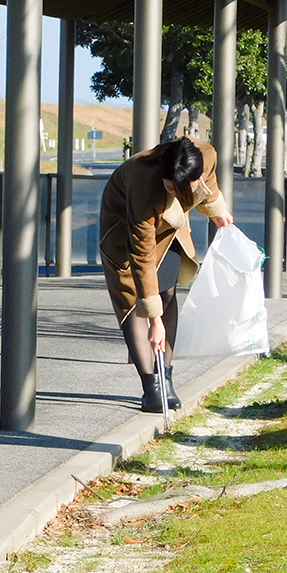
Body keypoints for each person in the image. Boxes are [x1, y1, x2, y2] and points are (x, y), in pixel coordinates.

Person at [99, 136, 234, 412]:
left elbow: (210, 186)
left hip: (170, 225)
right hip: (125, 227)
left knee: (168, 291)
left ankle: (166, 378)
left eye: (184, 189)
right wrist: (154, 320)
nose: (178, 193)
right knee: (133, 300)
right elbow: (142, 255)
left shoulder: (206, 155)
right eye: (172, 187)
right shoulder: (143, 185)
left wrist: (218, 211)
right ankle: (151, 386)